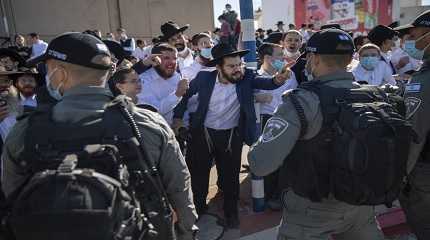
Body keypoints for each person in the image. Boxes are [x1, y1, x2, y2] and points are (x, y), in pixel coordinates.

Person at [3, 32, 197, 239]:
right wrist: (186, 233)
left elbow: (14, 198)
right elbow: (179, 189)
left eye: (48, 69)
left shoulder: (25, 131)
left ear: (60, 74)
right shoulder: (147, 123)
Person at [248, 29, 385, 240]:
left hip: (311, 210)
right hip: (360, 203)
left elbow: (260, 163)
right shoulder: (374, 95)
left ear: (314, 58)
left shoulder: (300, 101)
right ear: (350, 59)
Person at [173, 43, 291, 228]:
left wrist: (279, 79)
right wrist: (178, 118)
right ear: (219, 67)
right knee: (199, 176)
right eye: (232, 66)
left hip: (231, 136)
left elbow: (267, 83)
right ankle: (199, 210)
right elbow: (186, 96)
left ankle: (231, 214)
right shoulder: (204, 77)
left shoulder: (247, 77)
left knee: (230, 178)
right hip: (203, 134)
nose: (238, 69)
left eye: (239, 64)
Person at [394, 10, 430, 240]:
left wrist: (402, 172)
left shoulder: (424, 78)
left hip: (425, 167)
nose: (408, 41)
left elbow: (415, 131)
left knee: (423, 221)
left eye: (413, 35)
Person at [255, 43, 297, 210]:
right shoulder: (255, 76)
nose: (283, 58)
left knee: (285, 161)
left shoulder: (289, 74)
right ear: (267, 58)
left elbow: (295, 94)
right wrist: (256, 98)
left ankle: (280, 196)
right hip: (265, 122)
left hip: (286, 120)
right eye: (279, 55)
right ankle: (266, 195)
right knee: (267, 161)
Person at [137, 43, 188, 125]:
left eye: (175, 58)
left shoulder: (177, 77)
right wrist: (177, 94)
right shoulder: (142, 80)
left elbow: (182, 106)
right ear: (155, 59)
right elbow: (153, 111)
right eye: (166, 58)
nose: (172, 62)